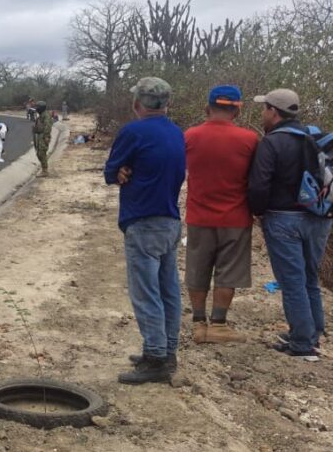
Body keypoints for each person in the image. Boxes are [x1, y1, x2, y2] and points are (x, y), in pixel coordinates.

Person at [104, 77, 186, 384]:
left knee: (146, 293)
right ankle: (167, 352)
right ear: (167, 104)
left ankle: (155, 359)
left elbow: (111, 171)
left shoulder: (133, 131)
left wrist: (122, 170)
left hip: (143, 221)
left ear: (137, 103)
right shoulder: (177, 132)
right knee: (168, 291)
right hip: (171, 220)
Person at [248, 88, 332, 362]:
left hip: (283, 219)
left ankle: (301, 344)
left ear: (273, 111)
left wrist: (258, 213)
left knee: (292, 282)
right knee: (309, 278)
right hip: (318, 220)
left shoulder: (272, 143)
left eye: (265, 108)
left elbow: (259, 184)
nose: (262, 113)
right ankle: (311, 333)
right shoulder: (314, 136)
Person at [183, 85, 258, 344]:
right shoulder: (249, 140)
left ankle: (198, 323)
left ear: (208, 107)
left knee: (197, 268)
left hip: (198, 215)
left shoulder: (190, 136)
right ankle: (219, 325)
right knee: (229, 272)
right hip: (235, 217)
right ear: (237, 110)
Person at [32, 101, 52, 176]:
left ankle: (45, 171)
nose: (36, 109)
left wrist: (46, 136)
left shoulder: (46, 115)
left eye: (37, 107)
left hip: (43, 136)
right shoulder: (41, 116)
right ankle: (44, 168)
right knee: (39, 153)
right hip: (40, 136)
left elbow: (48, 126)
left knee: (41, 153)